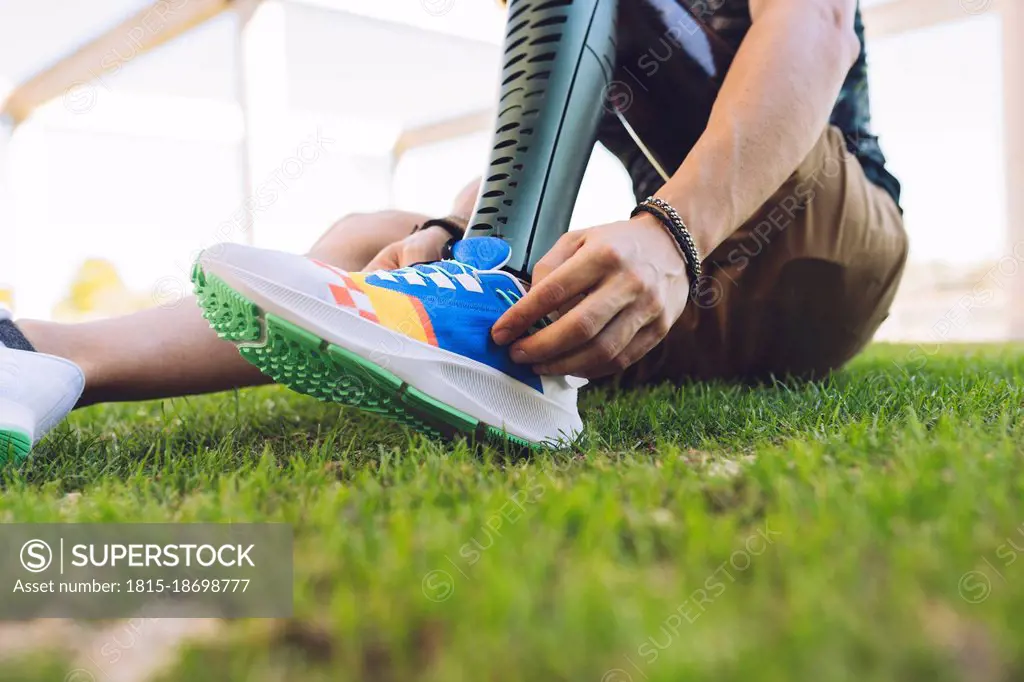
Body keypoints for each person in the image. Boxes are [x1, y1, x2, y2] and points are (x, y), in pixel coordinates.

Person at [0, 0, 907, 456]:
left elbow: (821, 29)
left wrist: (674, 232)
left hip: (816, 242)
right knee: (373, 236)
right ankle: (41, 356)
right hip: (671, 307)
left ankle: (486, 289)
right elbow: (546, 145)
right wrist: (446, 226)